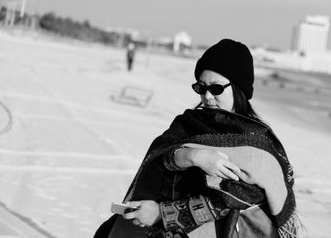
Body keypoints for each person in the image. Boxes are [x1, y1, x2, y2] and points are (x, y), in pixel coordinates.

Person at [95, 39, 299, 238]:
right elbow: (159, 158)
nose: (207, 97)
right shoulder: (187, 124)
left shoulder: (257, 142)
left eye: (216, 89)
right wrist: (190, 156)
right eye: (201, 88)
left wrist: (161, 213)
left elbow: (230, 201)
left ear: (239, 89)